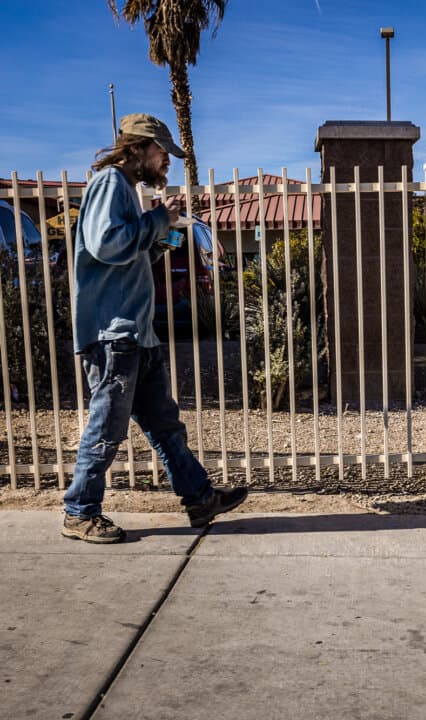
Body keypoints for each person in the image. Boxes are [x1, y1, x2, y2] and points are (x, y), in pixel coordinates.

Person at [61, 113, 247, 543]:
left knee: (165, 427)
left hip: (136, 335)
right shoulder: (110, 182)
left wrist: (164, 234)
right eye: (162, 151)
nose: (167, 161)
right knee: (106, 429)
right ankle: (79, 512)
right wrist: (158, 219)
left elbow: (129, 255)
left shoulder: (127, 189)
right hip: (114, 335)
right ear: (137, 148)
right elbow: (105, 244)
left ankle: (200, 498)